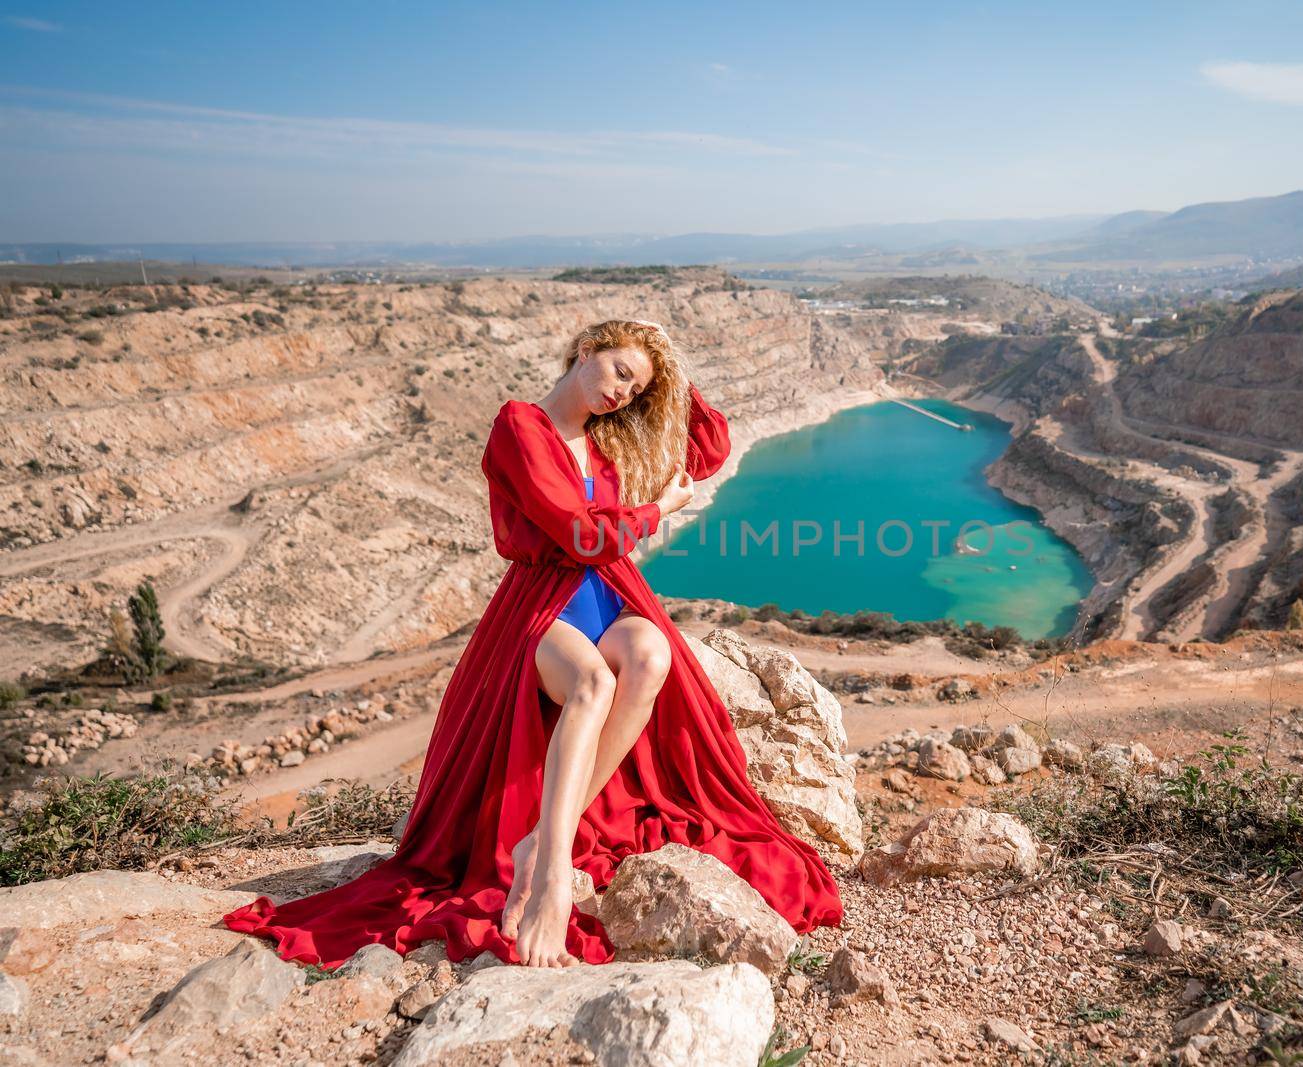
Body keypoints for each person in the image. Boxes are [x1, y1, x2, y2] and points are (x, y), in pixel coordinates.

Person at [222, 318, 845, 968]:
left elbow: (708, 449)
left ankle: (544, 837)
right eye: (619, 373)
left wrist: (671, 368)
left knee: (652, 653)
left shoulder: (610, 436)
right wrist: (658, 511)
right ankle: (549, 868)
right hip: (543, 601)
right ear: (585, 351)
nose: (622, 395)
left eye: (635, 390)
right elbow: (578, 536)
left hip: (606, 591)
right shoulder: (519, 424)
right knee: (593, 682)